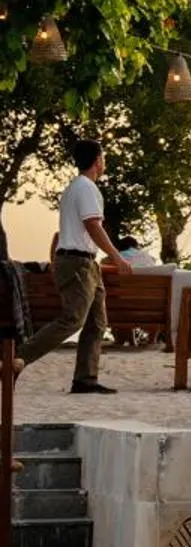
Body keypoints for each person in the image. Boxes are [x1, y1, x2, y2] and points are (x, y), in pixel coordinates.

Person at [15, 139, 123, 392]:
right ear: (97, 160)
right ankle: (18, 357)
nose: (104, 161)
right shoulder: (85, 187)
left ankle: (85, 379)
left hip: (86, 262)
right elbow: (93, 225)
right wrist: (116, 256)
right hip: (77, 262)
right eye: (103, 157)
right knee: (73, 319)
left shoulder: (79, 187)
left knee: (97, 322)